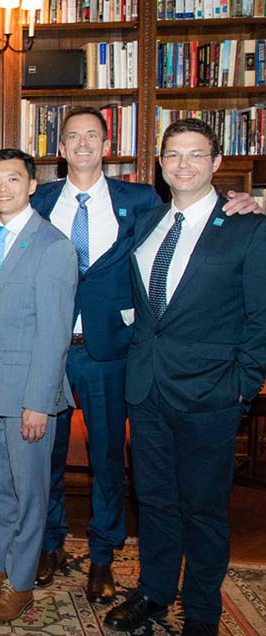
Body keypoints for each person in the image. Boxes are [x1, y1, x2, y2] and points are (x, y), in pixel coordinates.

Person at [31, 106, 263, 602]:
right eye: (73, 136)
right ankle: (50, 544)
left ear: (107, 144)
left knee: (111, 462)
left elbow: (219, 243)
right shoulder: (38, 199)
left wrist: (251, 203)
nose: (84, 144)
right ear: (60, 146)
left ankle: (104, 556)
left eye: (93, 135)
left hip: (114, 354)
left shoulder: (140, 202)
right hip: (51, 352)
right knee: (47, 459)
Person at [104, 119, 266, 636]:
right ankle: (154, 593)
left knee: (202, 509)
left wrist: (242, 384)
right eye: (173, 155)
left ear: (217, 163)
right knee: (154, 501)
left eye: (196, 155)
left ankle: (202, 612)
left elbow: (260, 318)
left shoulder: (248, 225)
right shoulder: (149, 221)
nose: (183, 165)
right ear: (160, 163)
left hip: (211, 394)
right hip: (147, 388)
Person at [0, 149, 77, 622]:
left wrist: (39, 404)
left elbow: (54, 334)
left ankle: (22, 583)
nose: (2, 188)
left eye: (13, 179)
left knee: (30, 493)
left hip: (28, 394)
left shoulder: (52, 246)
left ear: (32, 185)